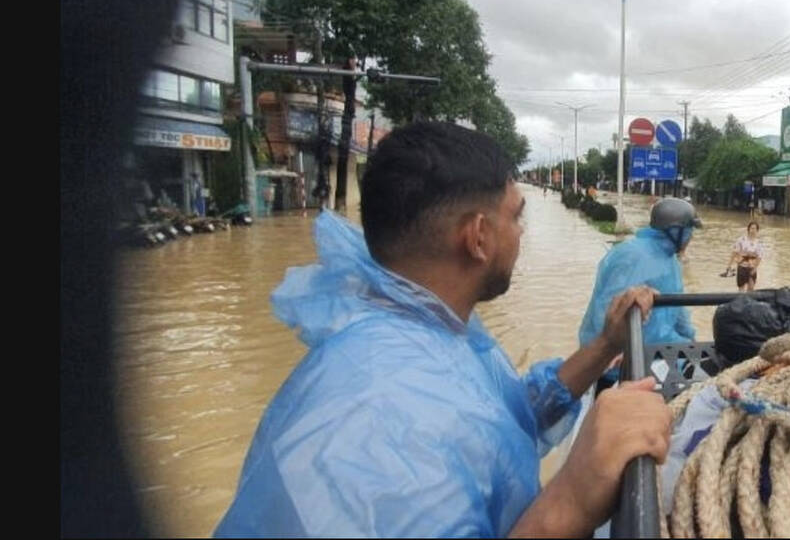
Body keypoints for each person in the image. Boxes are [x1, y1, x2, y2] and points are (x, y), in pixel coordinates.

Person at [214, 123, 672, 537]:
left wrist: (606, 344)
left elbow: (508, 411)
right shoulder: (378, 424)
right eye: (516, 216)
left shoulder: (421, 326)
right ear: (477, 237)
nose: (522, 233)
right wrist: (572, 496)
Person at [578, 197, 701, 386]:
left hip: (657, 348)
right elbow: (608, 309)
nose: (691, 237)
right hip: (622, 360)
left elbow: (678, 308)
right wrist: (612, 350)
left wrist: (692, 339)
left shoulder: (671, 261)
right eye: (689, 231)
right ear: (675, 231)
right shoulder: (630, 256)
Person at [725, 222, 763, 292]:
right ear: (748, 229)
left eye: (755, 229)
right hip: (742, 267)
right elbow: (734, 252)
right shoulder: (741, 240)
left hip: (752, 268)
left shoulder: (759, 243)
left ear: (757, 231)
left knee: (751, 288)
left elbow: (759, 257)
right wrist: (729, 265)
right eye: (752, 228)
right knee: (741, 288)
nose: (753, 230)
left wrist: (755, 268)